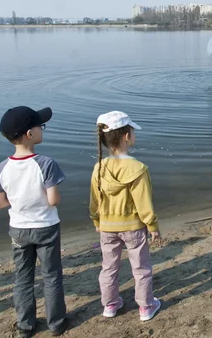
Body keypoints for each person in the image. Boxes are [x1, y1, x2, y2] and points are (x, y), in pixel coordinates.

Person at [0, 106, 68, 338]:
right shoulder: (45, 163)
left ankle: (26, 325)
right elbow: (53, 200)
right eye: (40, 126)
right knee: (51, 275)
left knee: (23, 277)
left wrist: (18, 203)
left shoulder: (2, 167)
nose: (42, 129)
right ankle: (56, 323)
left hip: (19, 230)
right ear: (29, 134)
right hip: (46, 227)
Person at [90, 111, 162, 322]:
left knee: (109, 267)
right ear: (126, 136)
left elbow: (95, 199)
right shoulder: (138, 168)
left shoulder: (99, 167)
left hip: (107, 227)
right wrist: (152, 225)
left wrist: (96, 220)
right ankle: (146, 307)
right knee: (141, 267)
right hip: (133, 227)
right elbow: (144, 202)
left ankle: (110, 304)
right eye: (131, 130)